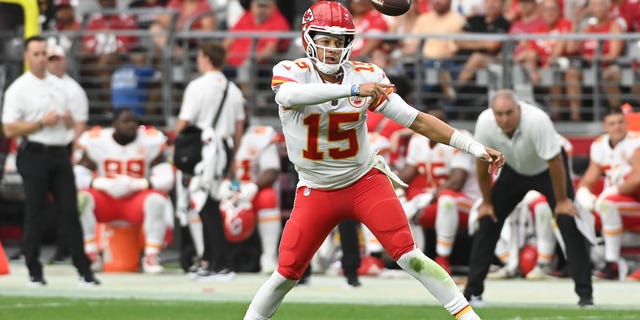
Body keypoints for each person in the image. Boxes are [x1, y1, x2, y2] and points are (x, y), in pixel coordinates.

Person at [243, 2, 505, 319]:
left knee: (409, 256)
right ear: (308, 39)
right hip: (316, 188)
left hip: (363, 182)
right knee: (286, 274)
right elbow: (288, 97)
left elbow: (416, 120)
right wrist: (352, 88)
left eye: (339, 42)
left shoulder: (367, 75)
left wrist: (473, 146)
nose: (331, 48)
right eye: (324, 40)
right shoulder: (292, 72)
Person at [465, 89, 593, 307]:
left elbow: (555, 162)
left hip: (548, 171)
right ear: (493, 113)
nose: (504, 119)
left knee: (567, 220)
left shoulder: (537, 121)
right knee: (488, 219)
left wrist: (562, 201)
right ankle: (472, 294)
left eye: (509, 113)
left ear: (519, 109)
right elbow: (481, 162)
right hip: (514, 170)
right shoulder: (485, 122)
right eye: (499, 114)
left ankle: (585, 296)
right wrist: (486, 203)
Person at [1, 36, 99, 287]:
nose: (42, 58)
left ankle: (84, 271)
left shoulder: (60, 86)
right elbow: (9, 128)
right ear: (27, 56)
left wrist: (65, 120)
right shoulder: (19, 89)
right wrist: (41, 122)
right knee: (35, 211)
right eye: (36, 54)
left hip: (59, 151)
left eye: (44, 53)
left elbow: (74, 122)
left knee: (70, 211)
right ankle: (34, 269)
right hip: (34, 152)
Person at [174, 41, 246, 279]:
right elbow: (238, 127)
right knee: (210, 203)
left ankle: (220, 262)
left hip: (205, 150)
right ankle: (211, 261)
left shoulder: (197, 86)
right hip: (224, 148)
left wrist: (176, 140)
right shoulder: (232, 89)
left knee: (206, 205)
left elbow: (185, 120)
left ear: (205, 57)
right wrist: (233, 158)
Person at [74, 108, 175, 274]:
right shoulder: (97, 140)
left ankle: (151, 255)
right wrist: (100, 183)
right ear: (114, 124)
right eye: (126, 121)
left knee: (157, 200)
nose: (132, 125)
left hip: (136, 201)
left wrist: (139, 184)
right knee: (81, 200)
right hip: (107, 200)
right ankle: (91, 253)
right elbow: (77, 178)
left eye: (134, 121)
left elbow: (167, 179)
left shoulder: (152, 141)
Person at [396, 108, 481, 275]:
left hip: (470, 201)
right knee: (394, 201)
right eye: (427, 124)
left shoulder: (461, 138)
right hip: (436, 200)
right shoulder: (418, 140)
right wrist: (391, 183)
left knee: (446, 199)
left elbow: (456, 181)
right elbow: (405, 175)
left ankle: (443, 260)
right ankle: (407, 259)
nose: (430, 129)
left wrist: (427, 197)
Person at [575, 108, 640, 280]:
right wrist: (583, 194)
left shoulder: (636, 142)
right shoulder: (599, 145)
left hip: (634, 201)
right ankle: (571, 261)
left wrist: (612, 191)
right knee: (572, 209)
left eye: (620, 122)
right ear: (605, 126)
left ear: (626, 124)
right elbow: (589, 178)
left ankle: (611, 263)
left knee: (607, 204)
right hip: (617, 203)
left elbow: (636, 180)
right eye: (612, 123)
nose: (617, 127)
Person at [45, 43, 90, 263]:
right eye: (50, 59)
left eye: (57, 59)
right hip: (46, 149)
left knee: (69, 203)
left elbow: (79, 125)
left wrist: (73, 153)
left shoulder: (73, 90)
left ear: (65, 60)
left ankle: (68, 248)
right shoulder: (43, 86)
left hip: (66, 150)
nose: (54, 63)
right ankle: (59, 246)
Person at [222, 124, 282, 274]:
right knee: (199, 199)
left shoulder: (261, 134)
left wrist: (253, 187)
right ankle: (207, 255)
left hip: (252, 191)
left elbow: (272, 170)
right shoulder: (215, 132)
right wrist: (223, 185)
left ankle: (269, 256)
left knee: (268, 197)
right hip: (227, 191)